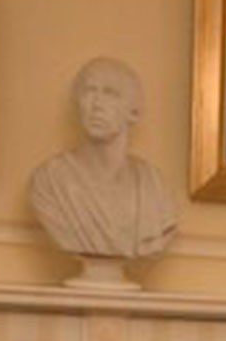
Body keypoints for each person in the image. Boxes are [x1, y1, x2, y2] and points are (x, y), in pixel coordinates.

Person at [29, 56, 176, 259]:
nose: (97, 104)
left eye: (111, 93)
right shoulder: (49, 181)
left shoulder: (154, 185)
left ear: (134, 113)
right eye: (89, 91)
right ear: (77, 103)